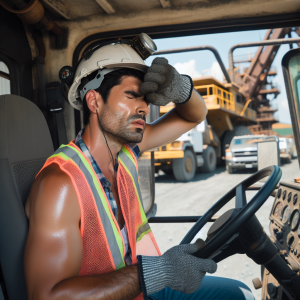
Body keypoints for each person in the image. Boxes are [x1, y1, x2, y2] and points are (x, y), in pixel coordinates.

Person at [24, 38, 254, 300]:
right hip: (135, 285)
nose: (144, 108)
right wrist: (159, 272)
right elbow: (46, 296)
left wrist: (180, 89)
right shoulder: (61, 184)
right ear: (94, 101)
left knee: (240, 293)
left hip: (141, 288)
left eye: (145, 100)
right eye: (131, 96)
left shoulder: (126, 153)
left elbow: (193, 115)